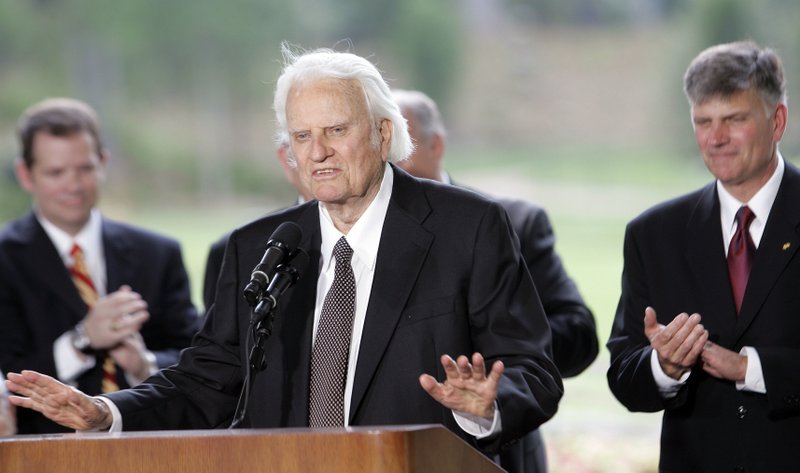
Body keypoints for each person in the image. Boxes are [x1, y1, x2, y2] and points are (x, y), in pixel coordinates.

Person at [6, 45, 562, 462]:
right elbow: (207, 380)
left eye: (335, 131)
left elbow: (533, 369)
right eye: (300, 137)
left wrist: (486, 406)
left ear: (382, 133)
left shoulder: (468, 227)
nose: (315, 153)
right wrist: (107, 411)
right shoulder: (261, 247)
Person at [606, 41, 800, 471]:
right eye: (703, 121)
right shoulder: (653, 234)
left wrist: (751, 368)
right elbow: (623, 375)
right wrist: (664, 366)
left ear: (777, 120)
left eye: (734, 119)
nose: (716, 138)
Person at [393, 89, 598, 473]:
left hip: (501, 454)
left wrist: (500, 344)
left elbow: (579, 336)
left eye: (403, 141)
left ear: (437, 144)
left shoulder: (512, 224)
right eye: (384, 142)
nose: (391, 157)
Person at [0, 98, 200, 434]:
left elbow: (199, 358)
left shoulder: (158, 253)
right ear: (25, 174)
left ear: (103, 163)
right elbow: (7, 375)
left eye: (85, 168)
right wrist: (82, 339)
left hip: (149, 444)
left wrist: (145, 364)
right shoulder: (5, 260)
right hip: (44, 450)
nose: (74, 185)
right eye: (56, 172)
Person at [202, 139, 313, 313]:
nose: (320, 153)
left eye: (337, 131)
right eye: (303, 137)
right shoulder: (233, 250)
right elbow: (215, 338)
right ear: (285, 158)